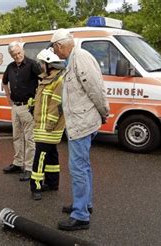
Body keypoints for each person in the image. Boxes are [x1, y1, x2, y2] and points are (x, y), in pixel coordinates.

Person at [50, 29, 109, 231]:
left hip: (82, 123)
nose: (54, 53)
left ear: (60, 45)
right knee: (83, 167)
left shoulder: (80, 58)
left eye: (54, 48)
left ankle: (81, 216)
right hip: (79, 121)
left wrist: (104, 112)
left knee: (78, 169)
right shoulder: (73, 59)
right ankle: (84, 204)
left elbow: (96, 88)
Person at [1, 41, 43, 181]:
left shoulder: (32, 65)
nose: (17, 56)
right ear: (11, 55)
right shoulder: (10, 67)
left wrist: (38, 99)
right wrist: (8, 97)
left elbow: (43, 80)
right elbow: (4, 82)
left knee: (29, 138)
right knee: (16, 137)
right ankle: (18, 163)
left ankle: (29, 167)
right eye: (14, 54)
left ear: (23, 51)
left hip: (28, 107)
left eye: (19, 53)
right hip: (16, 107)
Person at [29, 49, 66, 200]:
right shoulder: (46, 79)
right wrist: (32, 104)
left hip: (48, 127)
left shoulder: (58, 81)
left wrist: (50, 123)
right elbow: (43, 101)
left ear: (49, 64)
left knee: (40, 156)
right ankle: (52, 183)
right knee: (51, 155)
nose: (40, 65)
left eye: (42, 63)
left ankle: (36, 186)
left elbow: (57, 104)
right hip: (43, 125)